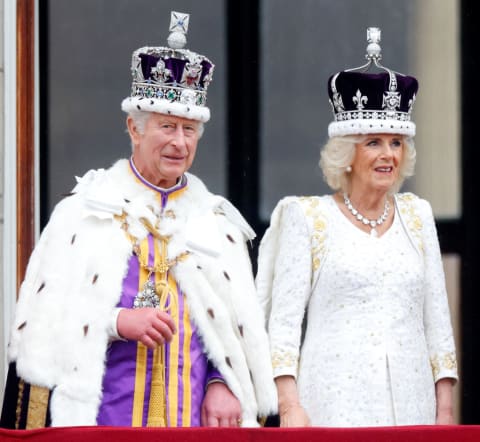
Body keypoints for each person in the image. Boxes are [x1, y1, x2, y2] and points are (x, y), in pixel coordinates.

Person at [1, 11, 276, 429]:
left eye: (189, 130)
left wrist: (225, 381)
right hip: (102, 419)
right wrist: (115, 321)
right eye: (167, 127)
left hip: (192, 420)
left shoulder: (216, 223)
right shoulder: (83, 213)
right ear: (134, 127)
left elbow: (233, 331)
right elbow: (41, 327)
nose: (179, 142)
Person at [256, 27, 458, 427]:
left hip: (411, 406)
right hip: (332, 403)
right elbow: (282, 328)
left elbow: (438, 324)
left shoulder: (418, 218)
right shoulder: (308, 218)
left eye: (396, 143)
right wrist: (290, 406)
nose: (388, 155)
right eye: (374, 143)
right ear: (347, 153)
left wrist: (445, 411)